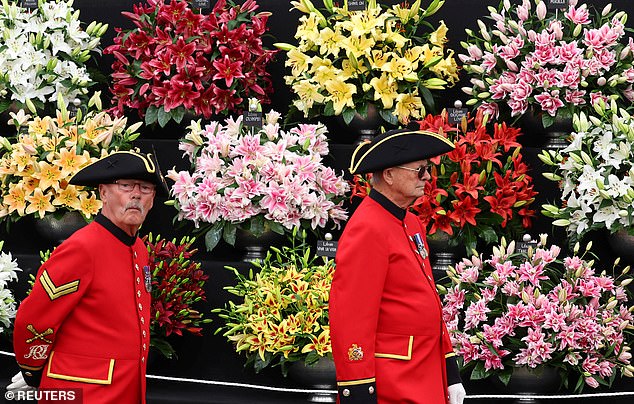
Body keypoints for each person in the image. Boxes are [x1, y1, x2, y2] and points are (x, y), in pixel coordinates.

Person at [7, 151, 168, 404]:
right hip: (83, 392)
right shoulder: (83, 247)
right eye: (125, 186)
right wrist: (32, 369)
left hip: (126, 389)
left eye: (146, 188)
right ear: (103, 192)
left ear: (153, 199)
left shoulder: (139, 249)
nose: (136, 194)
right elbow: (35, 318)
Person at [329, 128, 467, 404]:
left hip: (424, 374)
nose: (427, 177)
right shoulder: (367, 227)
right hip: (394, 381)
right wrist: (358, 390)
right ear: (389, 174)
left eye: (427, 169)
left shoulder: (411, 222)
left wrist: (450, 373)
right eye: (420, 170)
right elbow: (351, 317)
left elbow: (428, 299)